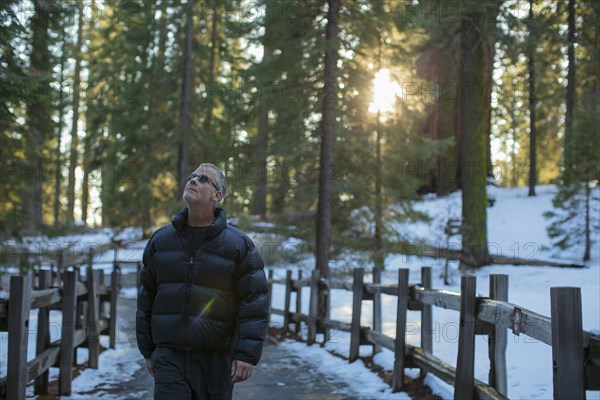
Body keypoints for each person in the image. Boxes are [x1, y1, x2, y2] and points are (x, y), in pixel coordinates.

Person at [136, 163, 269, 400]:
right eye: (192, 176)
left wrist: (246, 354)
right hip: (169, 356)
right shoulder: (161, 240)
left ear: (217, 196)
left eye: (204, 179)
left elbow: (254, 302)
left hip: (216, 360)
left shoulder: (239, 244)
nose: (194, 181)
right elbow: (146, 298)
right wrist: (148, 351)